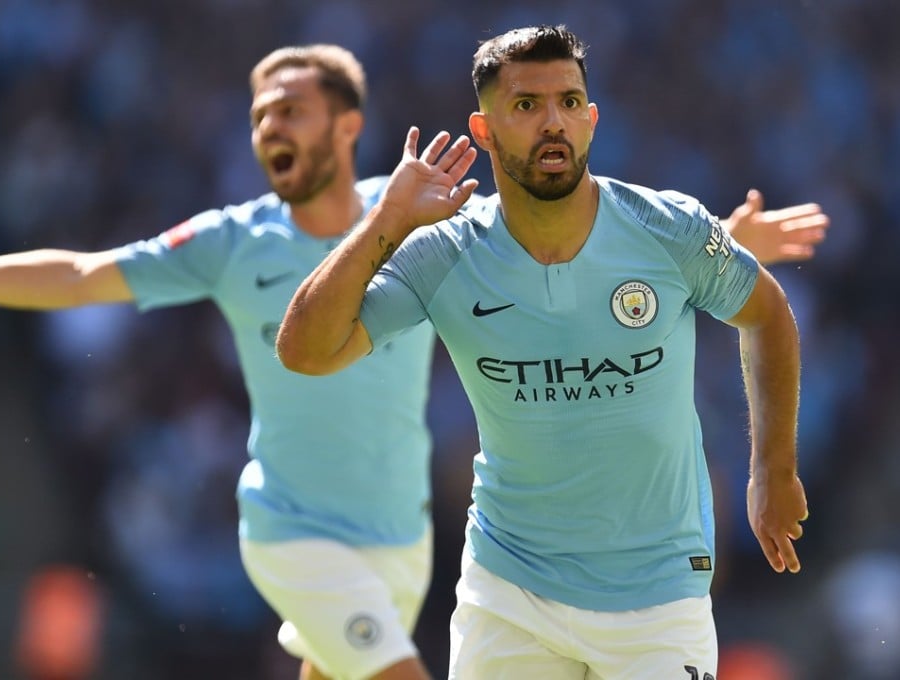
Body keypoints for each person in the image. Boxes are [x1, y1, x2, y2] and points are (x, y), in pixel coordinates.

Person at [0, 40, 823, 680]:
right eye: (258, 116)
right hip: (296, 528)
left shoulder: (425, 213)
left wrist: (707, 249)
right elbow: (86, 275)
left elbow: (575, 242)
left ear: (347, 126)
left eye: (289, 111)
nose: (269, 131)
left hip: (400, 536)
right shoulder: (252, 238)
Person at [276, 25, 810, 680]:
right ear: (485, 129)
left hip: (659, 593)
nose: (552, 122)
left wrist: (772, 471)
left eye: (567, 102)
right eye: (526, 106)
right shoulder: (445, 254)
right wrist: (382, 223)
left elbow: (768, 313)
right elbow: (304, 350)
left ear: (590, 120)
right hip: (510, 589)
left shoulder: (666, 229)